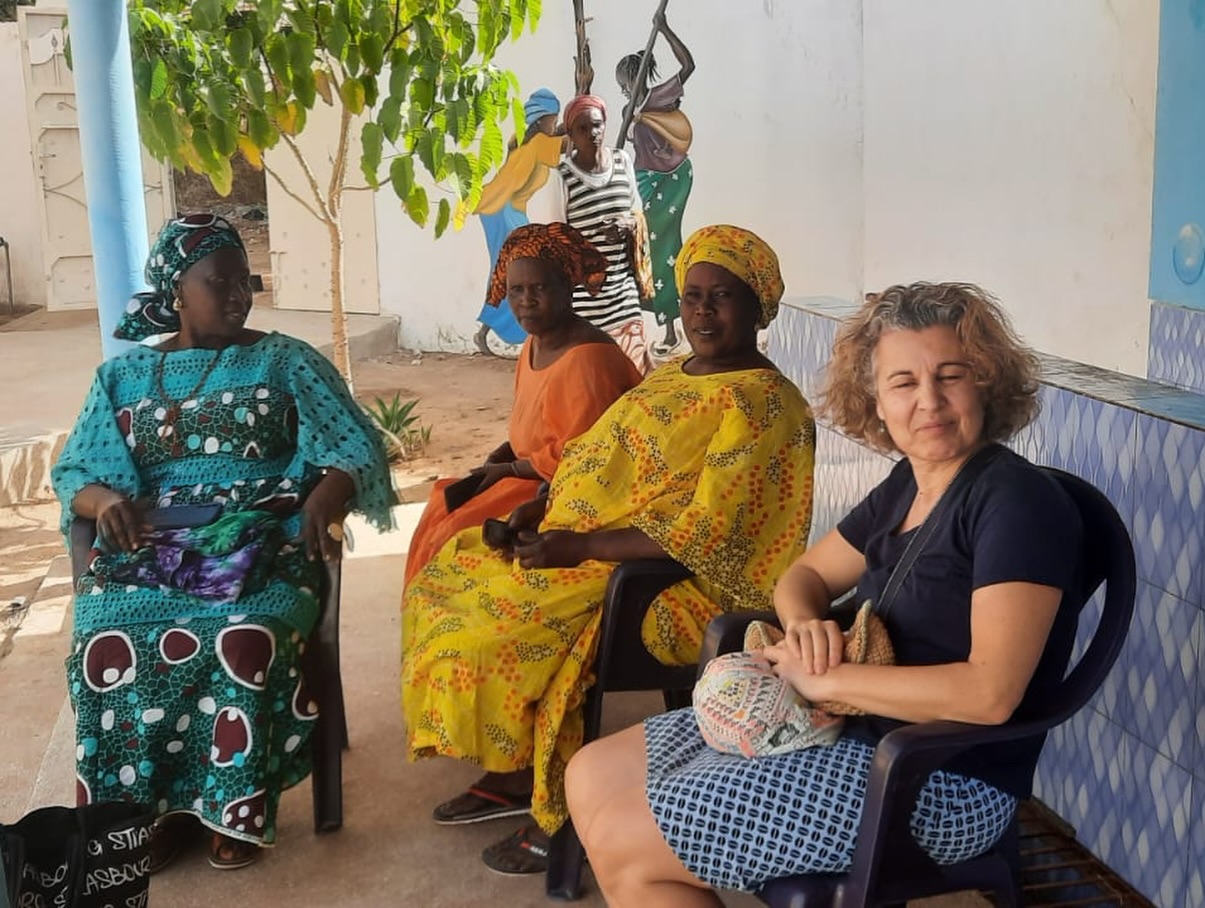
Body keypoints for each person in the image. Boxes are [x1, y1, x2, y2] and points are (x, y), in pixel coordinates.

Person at [564, 281, 1088, 905]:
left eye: (952, 375)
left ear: (988, 382)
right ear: (876, 399)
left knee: (629, 840)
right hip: (849, 731)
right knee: (591, 772)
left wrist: (825, 682)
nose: (930, 401)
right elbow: (803, 578)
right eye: (903, 382)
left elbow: (989, 694)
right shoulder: (910, 484)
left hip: (939, 780)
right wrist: (805, 623)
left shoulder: (1014, 502)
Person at [401, 225, 816, 875]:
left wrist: (582, 545)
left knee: (487, 637)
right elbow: (597, 460)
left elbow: (709, 538)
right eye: (691, 296)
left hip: (672, 587)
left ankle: (556, 813)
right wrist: (542, 508)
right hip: (603, 553)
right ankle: (511, 770)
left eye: (722, 297)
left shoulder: (764, 406)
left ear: (758, 305)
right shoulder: (678, 375)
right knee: (446, 578)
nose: (702, 312)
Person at [52, 214, 395, 872]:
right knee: (106, 642)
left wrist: (328, 493)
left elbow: (356, 445)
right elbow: (76, 472)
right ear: (177, 289)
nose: (239, 296)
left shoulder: (284, 359)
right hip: (152, 547)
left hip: (260, 544)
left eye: (247, 282)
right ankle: (144, 815)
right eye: (220, 282)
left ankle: (230, 806)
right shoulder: (121, 379)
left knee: (241, 636)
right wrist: (106, 501)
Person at [402, 222, 643, 587]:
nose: (525, 301)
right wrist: (501, 457)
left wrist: (513, 468)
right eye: (516, 290)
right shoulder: (536, 343)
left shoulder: (588, 360)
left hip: (565, 493)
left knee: (453, 535)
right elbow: (531, 425)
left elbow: (588, 458)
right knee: (439, 509)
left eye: (539, 288)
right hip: (528, 475)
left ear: (567, 289)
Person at [552, 94, 651, 374]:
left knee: (633, 375)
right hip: (585, 303)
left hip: (624, 294)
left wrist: (626, 224)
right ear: (570, 133)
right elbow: (556, 241)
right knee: (596, 379)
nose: (592, 134)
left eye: (597, 125)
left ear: (605, 125)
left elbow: (638, 214)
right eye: (582, 129)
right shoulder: (562, 177)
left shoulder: (622, 162)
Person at [617, 8, 696, 356]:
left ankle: (671, 330)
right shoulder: (626, 112)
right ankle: (664, 325)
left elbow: (688, 66)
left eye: (627, 83)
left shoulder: (657, 97)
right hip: (645, 178)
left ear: (636, 80)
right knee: (645, 247)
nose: (625, 89)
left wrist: (664, 30)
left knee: (658, 245)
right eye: (623, 85)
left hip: (671, 177)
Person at [471, 88, 567, 355]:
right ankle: (521, 334)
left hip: (508, 209)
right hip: (503, 210)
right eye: (553, 118)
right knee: (519, 269)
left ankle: (488, 332)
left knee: (509, 269)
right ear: (542, 119)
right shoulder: (538, 145)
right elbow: (572, 141)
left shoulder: (526, 141)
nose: (555, 123)